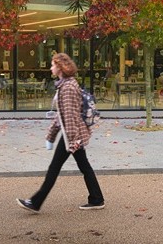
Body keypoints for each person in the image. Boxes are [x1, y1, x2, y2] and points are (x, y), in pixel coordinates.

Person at [17, 53, 105, 213]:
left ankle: (36, 202)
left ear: (60, 67)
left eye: (52, 65)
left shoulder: (69, 87)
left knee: (55, 168)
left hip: (71, 135)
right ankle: (97, 198)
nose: (50, 68)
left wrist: (72, 140)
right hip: (72, 135)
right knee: (84, 166)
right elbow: (61, 115)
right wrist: (51, 137)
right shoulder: (65, 85)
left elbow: (70, 116)